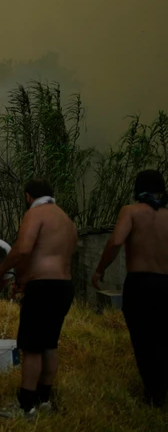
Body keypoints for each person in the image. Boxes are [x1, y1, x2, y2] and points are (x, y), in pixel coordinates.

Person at [0, 178, 77, 419]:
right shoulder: (67, 221)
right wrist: (23, 280)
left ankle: (25, 405)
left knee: (32, 347)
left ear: (28, 196)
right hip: (63, 287)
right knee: (49, 343)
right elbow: (47, 255)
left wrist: (0, 270)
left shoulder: (35, 214)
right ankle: (44, 399)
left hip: (43, 288)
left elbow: (23, 249)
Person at [93, 169, 168, 408]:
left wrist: (100, 269)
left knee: (143, 338)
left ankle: (154, 392)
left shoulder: (131, 211)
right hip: (165, 282)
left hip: (141, 283)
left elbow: (116, 240)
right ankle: (160, 387)